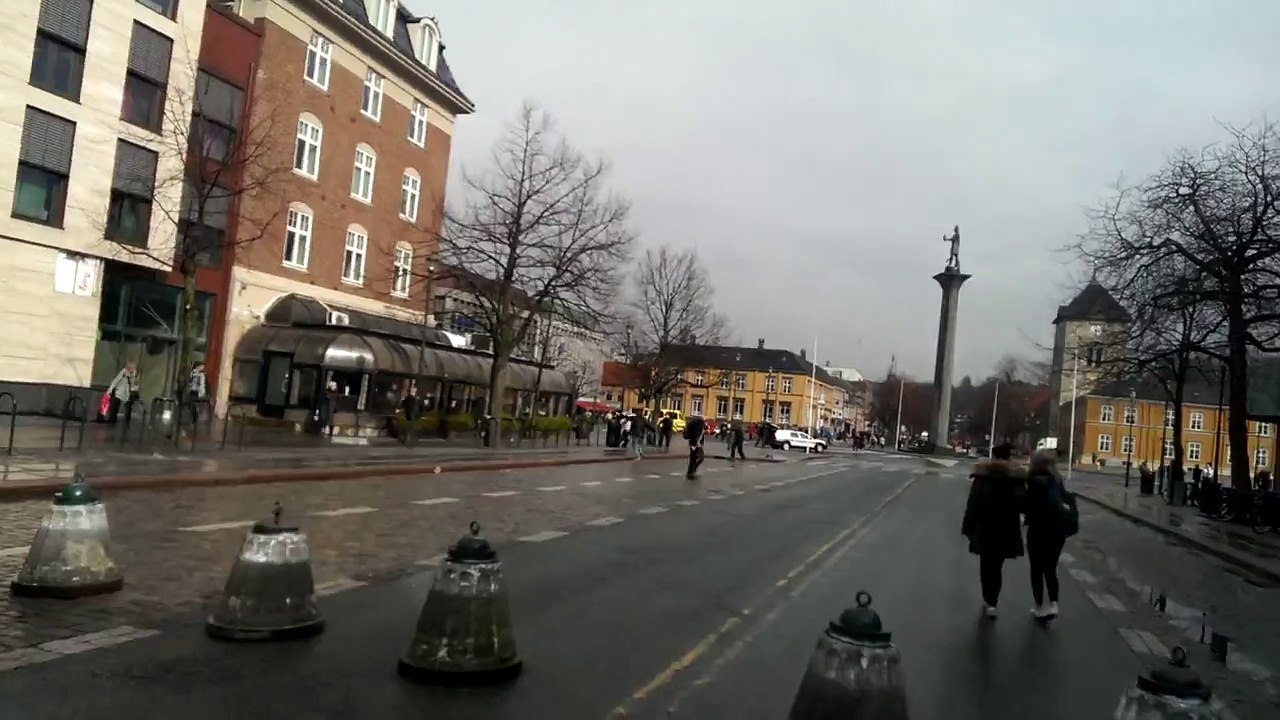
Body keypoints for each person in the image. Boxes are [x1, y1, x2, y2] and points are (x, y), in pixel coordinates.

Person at [961, 443, 1025, 619]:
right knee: (997, 566)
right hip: (1006, 528)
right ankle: (992, 602)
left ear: (994, 457)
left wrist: (967, 525)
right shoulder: (1016, 478)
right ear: (1009, 458)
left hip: (985, 526)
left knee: (986, 565)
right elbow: (1023, 504)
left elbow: (973, 503)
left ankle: (988, 598)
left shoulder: (983, 476)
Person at [1024, 449, 1073, 620]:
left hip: (1038, 529)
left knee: (1036, 569)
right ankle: (1054, 604)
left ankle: (1038, 605)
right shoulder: (1057, 481)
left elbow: (1026, 505)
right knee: (1050, 567)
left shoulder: (1034, 481)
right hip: (1057, 531)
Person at [684, 414, 706, 479]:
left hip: (695, 443)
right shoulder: (699, 425)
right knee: (698, 458)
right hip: (695, 444)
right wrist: (695, 444)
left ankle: (691, 472)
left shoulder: (698, 425)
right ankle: (691, 472)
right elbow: (697, 435)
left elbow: (700, 435)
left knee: (694, 458)